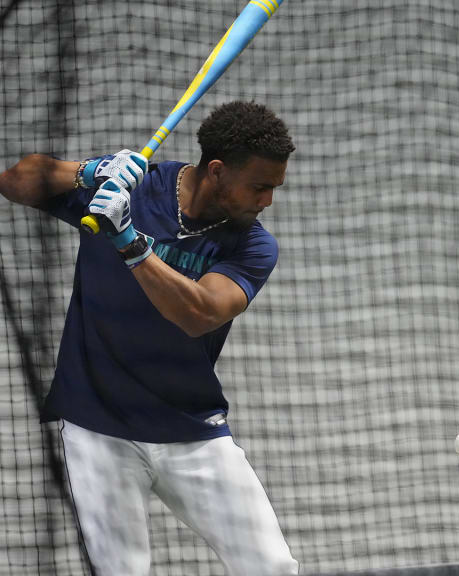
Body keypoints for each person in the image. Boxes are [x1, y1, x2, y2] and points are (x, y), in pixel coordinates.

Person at [0, 101, 299, 575]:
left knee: (273, 567)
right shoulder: (134, 188)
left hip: (191, 428)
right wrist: (87, 172)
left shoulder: (254, 245)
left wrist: (130, 243)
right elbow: (13, 180)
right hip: (99, 426)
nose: (267, 202)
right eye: (260, 187)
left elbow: (199, 314)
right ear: (217, 171)